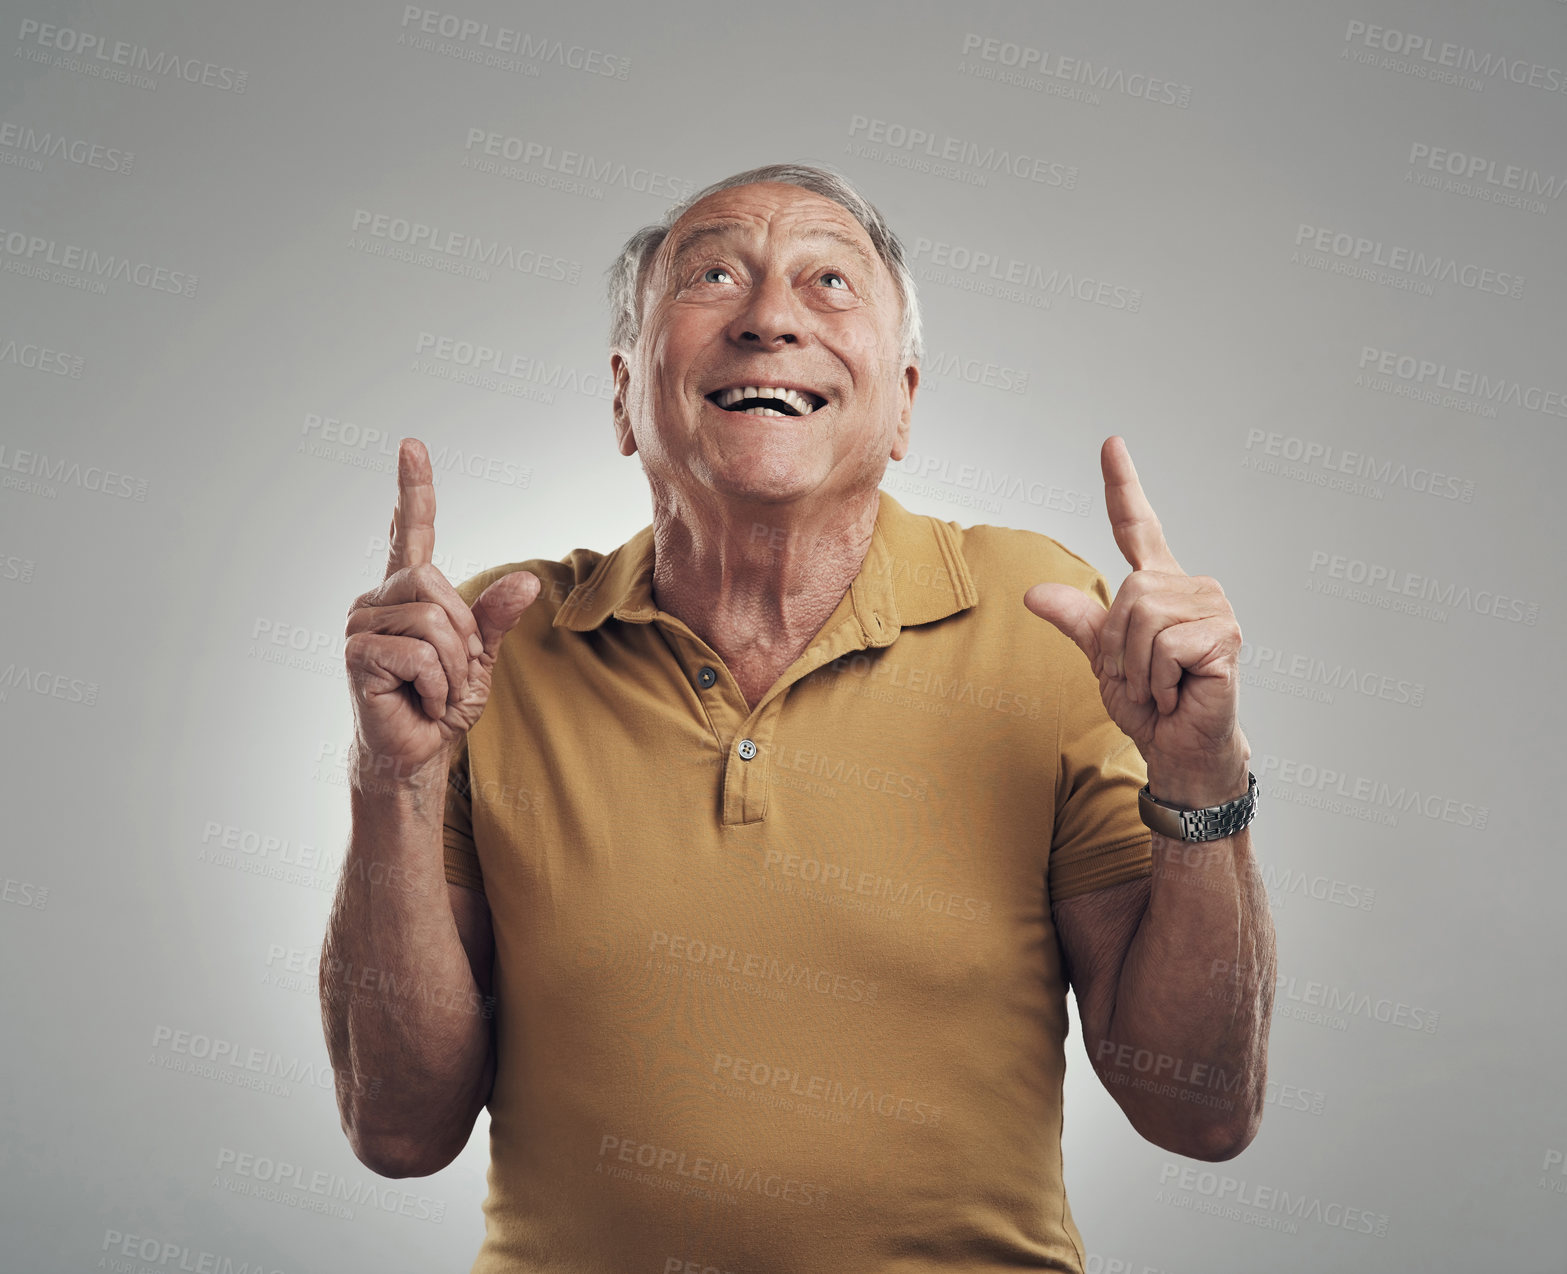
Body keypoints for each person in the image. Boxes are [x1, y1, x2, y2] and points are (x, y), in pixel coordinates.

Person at [321, 163, 1275, 1273]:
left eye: (829, 281)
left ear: (904, 402)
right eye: (714, 273)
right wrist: (392, 779)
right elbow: (398, 1130)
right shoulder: (500, 641)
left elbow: (1198, 1111)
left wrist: (1200, 774)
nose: (770, 318)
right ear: (624, 394)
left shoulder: (1041, 620)